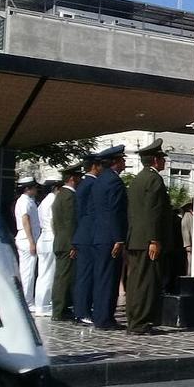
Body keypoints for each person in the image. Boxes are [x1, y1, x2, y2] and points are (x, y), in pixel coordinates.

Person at [125, 138, 171, 335]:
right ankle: (141, 322)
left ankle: (136, 320)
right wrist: (154, 239)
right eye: (161, 158)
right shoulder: (153, 179)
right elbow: (153, 211)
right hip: (147, 240)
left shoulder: (138, 178)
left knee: (136, 281)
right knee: (146, 282)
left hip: (136, 238)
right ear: (154, 159)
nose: (164, 162)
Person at [91, 145, 128, 330]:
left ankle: (100, 315)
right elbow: (115, 212)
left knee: (101, 277)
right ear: (115, 162)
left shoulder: (99, 180)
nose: (124, 163)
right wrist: (119, 238)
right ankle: (105, 318)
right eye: (122, 160)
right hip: (110, 238)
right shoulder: (114, 182)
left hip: (99, 236)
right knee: (109, 278)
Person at [71, 154, 102, 325]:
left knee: (84, 275)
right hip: (89, 235)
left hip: (84, 234)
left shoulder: (84, 184)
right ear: (94, 167)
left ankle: (82, 309)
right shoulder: (91, 184)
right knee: (86, 275)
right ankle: (82, 311)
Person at [51, 164, 82, 321]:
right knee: (64, 277)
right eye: (78, 177)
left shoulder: (61, 195)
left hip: (61, 241)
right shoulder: (69, 196)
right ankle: (59, 310)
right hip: (66, 243)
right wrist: (73, 244)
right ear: (71, 178)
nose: (80, 179)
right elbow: (70, 222)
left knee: (62, 276)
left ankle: (60, 308)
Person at [13, 177, 41, 311]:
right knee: (27, 272)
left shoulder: (29, 201)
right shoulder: (24, 201)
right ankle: (27, 301)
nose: (36, 189)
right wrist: (31, 241)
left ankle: (27, 299)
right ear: (27, 189)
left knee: (28, 270)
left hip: (27, 238)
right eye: (33, 187)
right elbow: (25, 220)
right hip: (26, 239)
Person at [33, 178, 60, 316]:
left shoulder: (43, 202)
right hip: (50, 237)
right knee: (49, 274)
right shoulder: (53, 201)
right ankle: (44, 305)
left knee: (43, 274)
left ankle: (40, 304)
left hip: (43, 238)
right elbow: (53, 222)